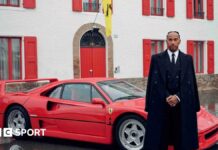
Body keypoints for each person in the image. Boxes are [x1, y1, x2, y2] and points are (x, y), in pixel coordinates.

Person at [143, 31, 200, 150]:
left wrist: (178, 97)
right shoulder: (156, 59)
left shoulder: (187, 59)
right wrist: (167, 96)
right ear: (166, 41)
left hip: (182, 106)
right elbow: (153, 82)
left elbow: (190, 82)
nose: (173, 42)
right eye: (170, 39)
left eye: (175, 39)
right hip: (162, 106)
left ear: (179, 41)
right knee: (160, 139)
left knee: (182, 139)